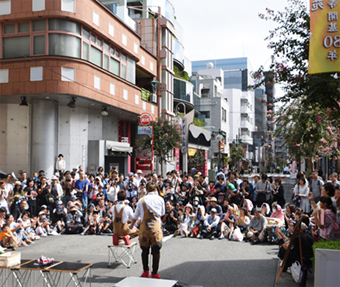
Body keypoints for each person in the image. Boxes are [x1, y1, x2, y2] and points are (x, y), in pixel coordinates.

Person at [129, 181, 165, 279]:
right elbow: (162, 212)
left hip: (144, 227)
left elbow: (136, 215)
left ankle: (145, 271)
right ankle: (155, 273)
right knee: (156, 250)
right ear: (155, 190)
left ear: (146, 190)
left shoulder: (142, 200)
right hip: (156, 227)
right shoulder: (160, 199)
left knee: (145, 250)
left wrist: (131, 226)